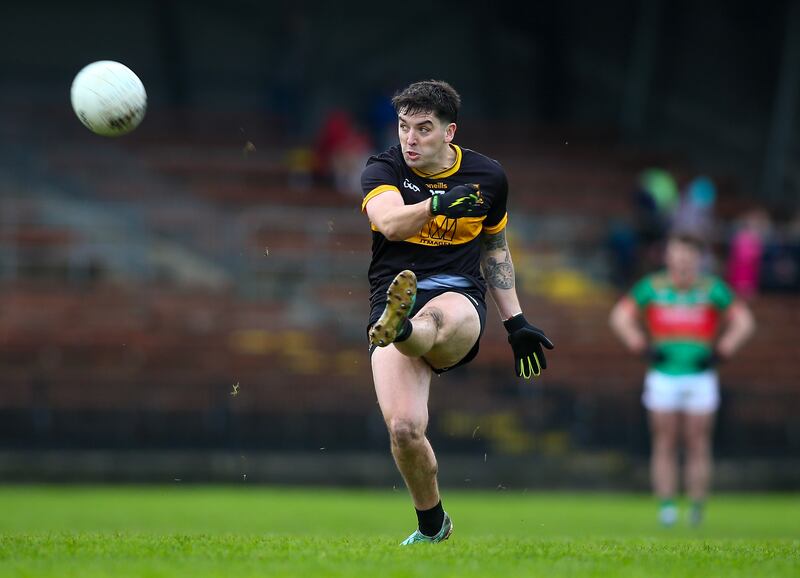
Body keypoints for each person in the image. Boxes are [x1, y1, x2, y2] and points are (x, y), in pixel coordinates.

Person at [360, 80, 554, 545]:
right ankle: (434, 528)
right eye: (404, 127)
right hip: (392, 294)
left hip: (459, 296)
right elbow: (388, 221)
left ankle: (403, 325)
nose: (410, 139)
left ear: (450, 132)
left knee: (435, 321)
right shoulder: (383, 168)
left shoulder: (489, 177)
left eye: (423, 129)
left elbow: (495, 247)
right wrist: (437, 204)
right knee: (405, 430)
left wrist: (516, 322)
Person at [609, 232, 755, 527]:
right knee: (664, 440)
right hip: (663, 375)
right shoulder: (653, 287)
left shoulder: (711, 289)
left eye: (688, 255)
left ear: (698, 259)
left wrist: (722, 351)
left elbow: (744, 322)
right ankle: (667, 508)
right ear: (669, 257)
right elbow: (619, 317)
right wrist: (641, 345)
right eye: (677, 254)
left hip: (700, 376)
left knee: (698, 441)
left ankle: (697, 508)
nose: (682, 260)